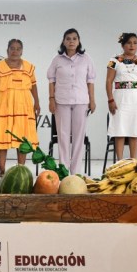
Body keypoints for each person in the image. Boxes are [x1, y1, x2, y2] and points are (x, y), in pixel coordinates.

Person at [0, 39, 40, 176]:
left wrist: (37, 102)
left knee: (22, 138)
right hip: (3, 104)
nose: (15, 51)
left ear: (22, 51)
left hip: (23, 105)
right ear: (7, 50)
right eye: (12, 48)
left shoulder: (29, 67)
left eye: (18, 48)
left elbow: (33, 85)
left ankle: (21, 168)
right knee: (2, 136)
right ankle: (1, 168)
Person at [47, 28, 95, 175]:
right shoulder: (57, 59)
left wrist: (92, 100)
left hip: (81, 101)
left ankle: (75, 173)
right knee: (62, 136)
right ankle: (63, 171)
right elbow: (51, 80)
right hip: (61, 101)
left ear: (79, 41)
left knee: (79, 137)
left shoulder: (86, 58)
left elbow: (90, 80)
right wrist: (51, 99)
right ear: (63, 41)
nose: (71, 41)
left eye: (74, 38)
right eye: (68, 38)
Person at [105, 33, 137, 162]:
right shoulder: (114, 61)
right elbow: (108, 81)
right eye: (129, 42)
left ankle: (133, 162)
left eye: (135, 42)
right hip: (120, 98)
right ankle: (119, 162)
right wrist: (110, 100)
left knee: (134, 131)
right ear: (122, 45)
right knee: (119, 131)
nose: (132, 45)